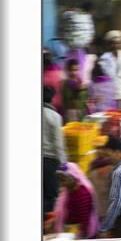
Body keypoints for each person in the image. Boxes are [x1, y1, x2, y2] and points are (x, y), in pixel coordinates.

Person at [53, 162, 99, 239]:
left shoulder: (82, 193)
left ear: (73, 177)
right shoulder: (68, 192)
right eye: (60, 180)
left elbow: (85, 220)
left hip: (82, 234)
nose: (62, 184)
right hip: (71, 231)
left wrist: (80, 236)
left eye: (63, 180)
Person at [42, 85, 67, 215]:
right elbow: (58, 143)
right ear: (52, 99)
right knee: (51, 196)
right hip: (50, 161)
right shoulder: (54, 116)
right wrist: (64, 163)